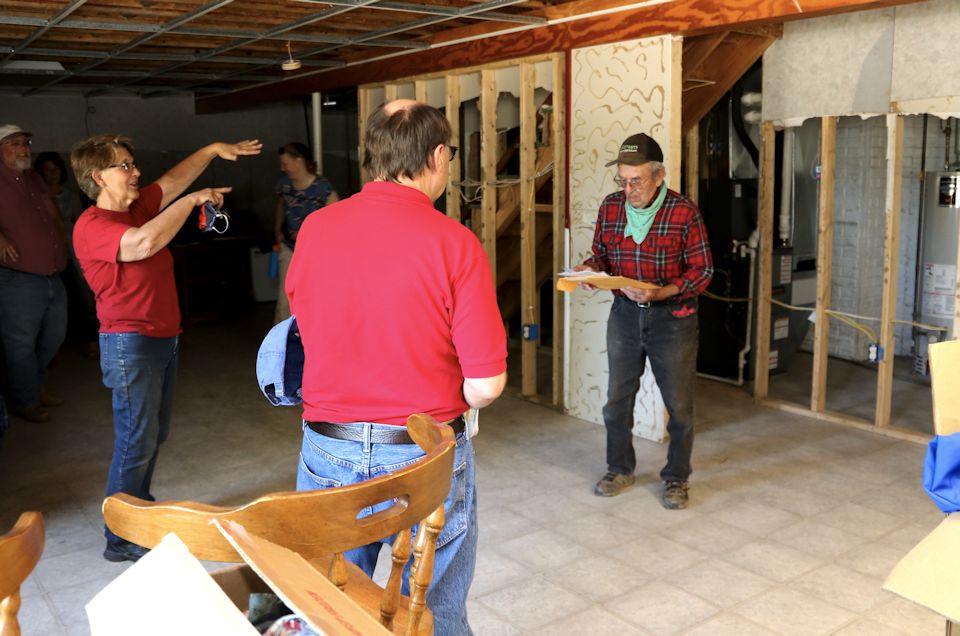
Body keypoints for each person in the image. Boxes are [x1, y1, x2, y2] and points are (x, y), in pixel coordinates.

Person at [286, 99, 506, 635]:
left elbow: (304, 320)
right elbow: (485, 386)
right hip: (421, 455)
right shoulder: (455, 243)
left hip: (327, 448)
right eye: (449, 155)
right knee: (431, 613)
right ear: (436, 156)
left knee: (326, 607)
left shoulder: (315, 227)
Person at [71, 134, 262, 562]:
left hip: (160, 338)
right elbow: (144, 243)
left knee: (152, 434)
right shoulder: (92, 226)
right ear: (98, 176)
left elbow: (173, 181)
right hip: (129, 342)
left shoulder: (136, 208)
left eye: (133, 163)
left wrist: (212, 150)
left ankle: (138, 508)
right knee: (135, 438)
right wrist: (194, 202)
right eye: (125, 166)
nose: (135, 171)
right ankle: (120, 536)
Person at [575, 133, 713, 509]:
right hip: (623, 317)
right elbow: (602, 254)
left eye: (635, 181)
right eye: (622, 180)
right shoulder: (612, 208)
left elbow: (703, 272)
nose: (628, 189)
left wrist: (663, 291)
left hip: (673, 319)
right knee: (617, 400)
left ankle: (676, 478)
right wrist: (589, 271)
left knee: (679, 405)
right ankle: (619, 468)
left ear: (658, 175)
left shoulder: (683, 212)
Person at [0, 124, 68, 424]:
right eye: (15, 143)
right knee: (20, 343)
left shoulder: (33, 178)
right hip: (18, 277)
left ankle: (36, 386)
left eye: (25, 142)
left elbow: (51, 214)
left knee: (53, 337)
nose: (24, 148)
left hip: (53, 272)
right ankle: (27, 399)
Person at [34, 150, 99, 358]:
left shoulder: (70, 196)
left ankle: (90, 340)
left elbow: (82, 226)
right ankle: (52, 349)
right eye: (47, 170)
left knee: (83, 298)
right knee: (48, 302)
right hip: (46, 257)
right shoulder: (35, 197)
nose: (53, 174)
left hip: (72, 254)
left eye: (56, 169)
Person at [273, 142, 338, 323]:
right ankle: (281, 344)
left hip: (317, 252)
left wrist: (309, 234)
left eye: (285, 163)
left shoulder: (322, 188)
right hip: (290, 248)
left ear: (299, 160)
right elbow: (280, 205)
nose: (282, 168)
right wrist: (277, 229)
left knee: (315, 296)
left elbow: (337, 219)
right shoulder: (283, 184)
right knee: (285, 300)